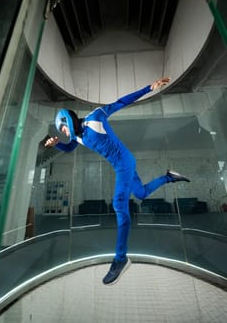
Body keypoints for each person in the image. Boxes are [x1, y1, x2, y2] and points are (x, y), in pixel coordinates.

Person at [45, 77, 190, 285]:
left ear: (66, 119)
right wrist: (58, 144)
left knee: (118, 205)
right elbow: (68, 147)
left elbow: (121, 102)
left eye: (63, 129)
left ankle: (120, 259)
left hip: (124, 164)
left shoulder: (96, 117)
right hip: (123, 165)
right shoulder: (78, 137)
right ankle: (169, 177)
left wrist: (149, 87)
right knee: (140, 194)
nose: (64, 133)